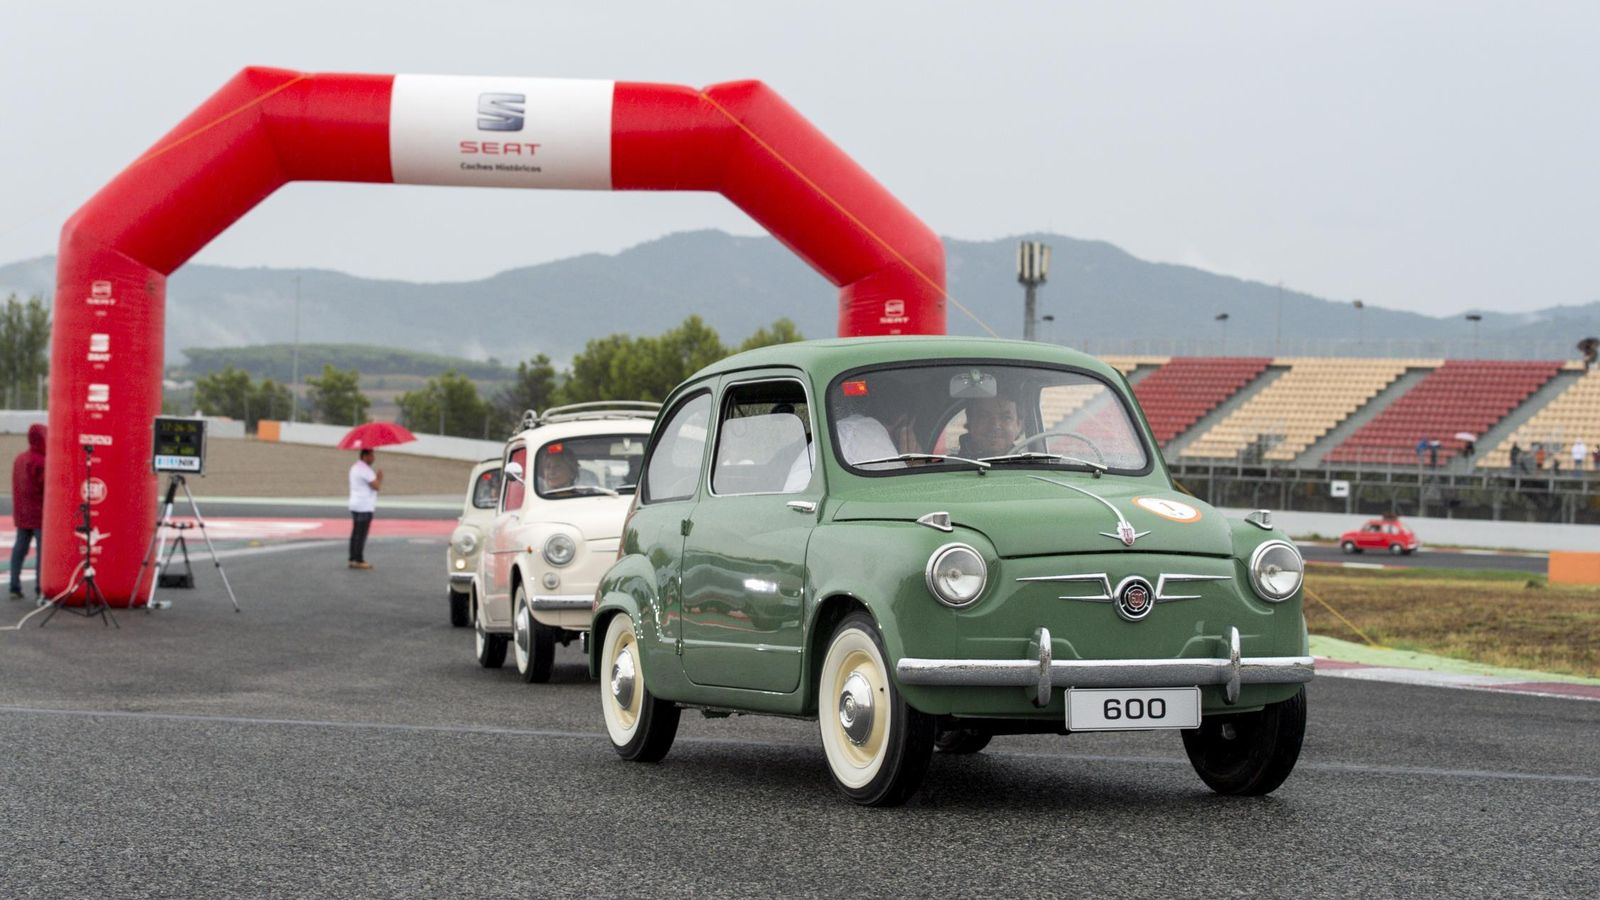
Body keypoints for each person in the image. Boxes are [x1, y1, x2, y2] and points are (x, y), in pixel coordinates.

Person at [9, 424, 46, 600]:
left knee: (19, 549)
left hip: (21, 513)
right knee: (42, 552)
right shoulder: (42, 462)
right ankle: (40, 587)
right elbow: (46, 488)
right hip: (39, 514)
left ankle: (14, 585)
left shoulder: (19, 459)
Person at [347, 448, 383, 570]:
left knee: (355, 533)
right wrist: (379, 478)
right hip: (364, 505)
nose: (373, 458)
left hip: (355, 503)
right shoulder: (366, 470)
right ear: (364, 456)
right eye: (371, 456)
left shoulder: (354, 467)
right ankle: (358, 559)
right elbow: (376, 486)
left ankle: (352, 558)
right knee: (361, 534)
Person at [957, 395, 1025, 459]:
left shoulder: (1029, 466)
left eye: (1006, 418)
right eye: (984, 416)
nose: (995, 426)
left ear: (1019, 425)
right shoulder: (950, 466)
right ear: (970, 421)